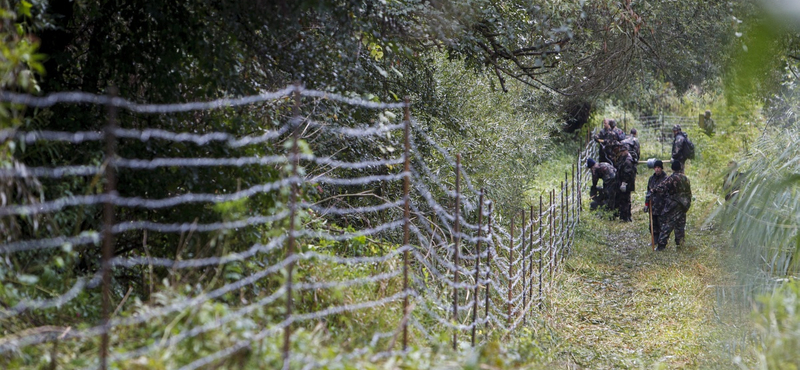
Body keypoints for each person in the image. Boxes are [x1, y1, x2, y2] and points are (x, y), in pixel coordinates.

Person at [651, 161, 692, 251]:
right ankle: (680, 244)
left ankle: (661, 245)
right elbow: (689, 192)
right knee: (680, 224)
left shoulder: (672, 178)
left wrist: (653, 190)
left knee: (667, 224)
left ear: (672, 168)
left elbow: (661, 187)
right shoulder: (686, 178)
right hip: (684, 205)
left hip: (674, 205)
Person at [645, 160, 668, 245]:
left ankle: (661, 242)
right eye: (656, 168)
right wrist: (646, 204)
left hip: (662, 206)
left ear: (661, 168)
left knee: (661, 224)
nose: (657, 169)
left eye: (659, 168)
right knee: (652, 224)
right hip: (653, 205)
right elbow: (648, 192)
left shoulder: (666, 179)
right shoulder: (651, 179)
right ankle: (654, 239)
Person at [613, 145, 636, 222]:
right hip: (623, 182)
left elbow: (627, 173)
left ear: (626, 151)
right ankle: (625, 216)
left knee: (625, 200)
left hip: (626, 184)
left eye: (623, 151)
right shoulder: (624, 158)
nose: (622, 153)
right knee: (624, 199)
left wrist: (624, 183)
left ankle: (625, 217)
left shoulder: (628, 161)